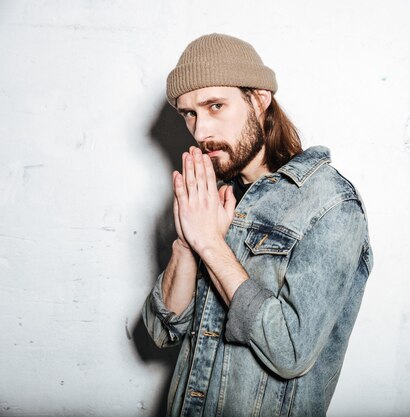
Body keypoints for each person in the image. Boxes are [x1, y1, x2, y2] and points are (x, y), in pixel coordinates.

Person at [142, 33, 373, 417]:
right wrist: (187, 243)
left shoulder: (330, 203)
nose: (201, 132)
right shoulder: (212, 199)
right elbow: (160, 331)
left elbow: (290, 351)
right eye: (189, 113)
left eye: (215, 105)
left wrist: (211, 246)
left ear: (260, 99)